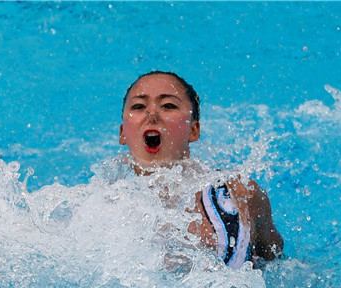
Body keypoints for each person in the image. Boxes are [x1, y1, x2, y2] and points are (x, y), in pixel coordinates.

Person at [119, 71, 283, 268]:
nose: (152, 115)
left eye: (168, 106)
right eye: (138, 106)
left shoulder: (238, 194)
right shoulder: (98, 211)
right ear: (122, 134)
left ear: (193, 130)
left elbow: (278, 266)